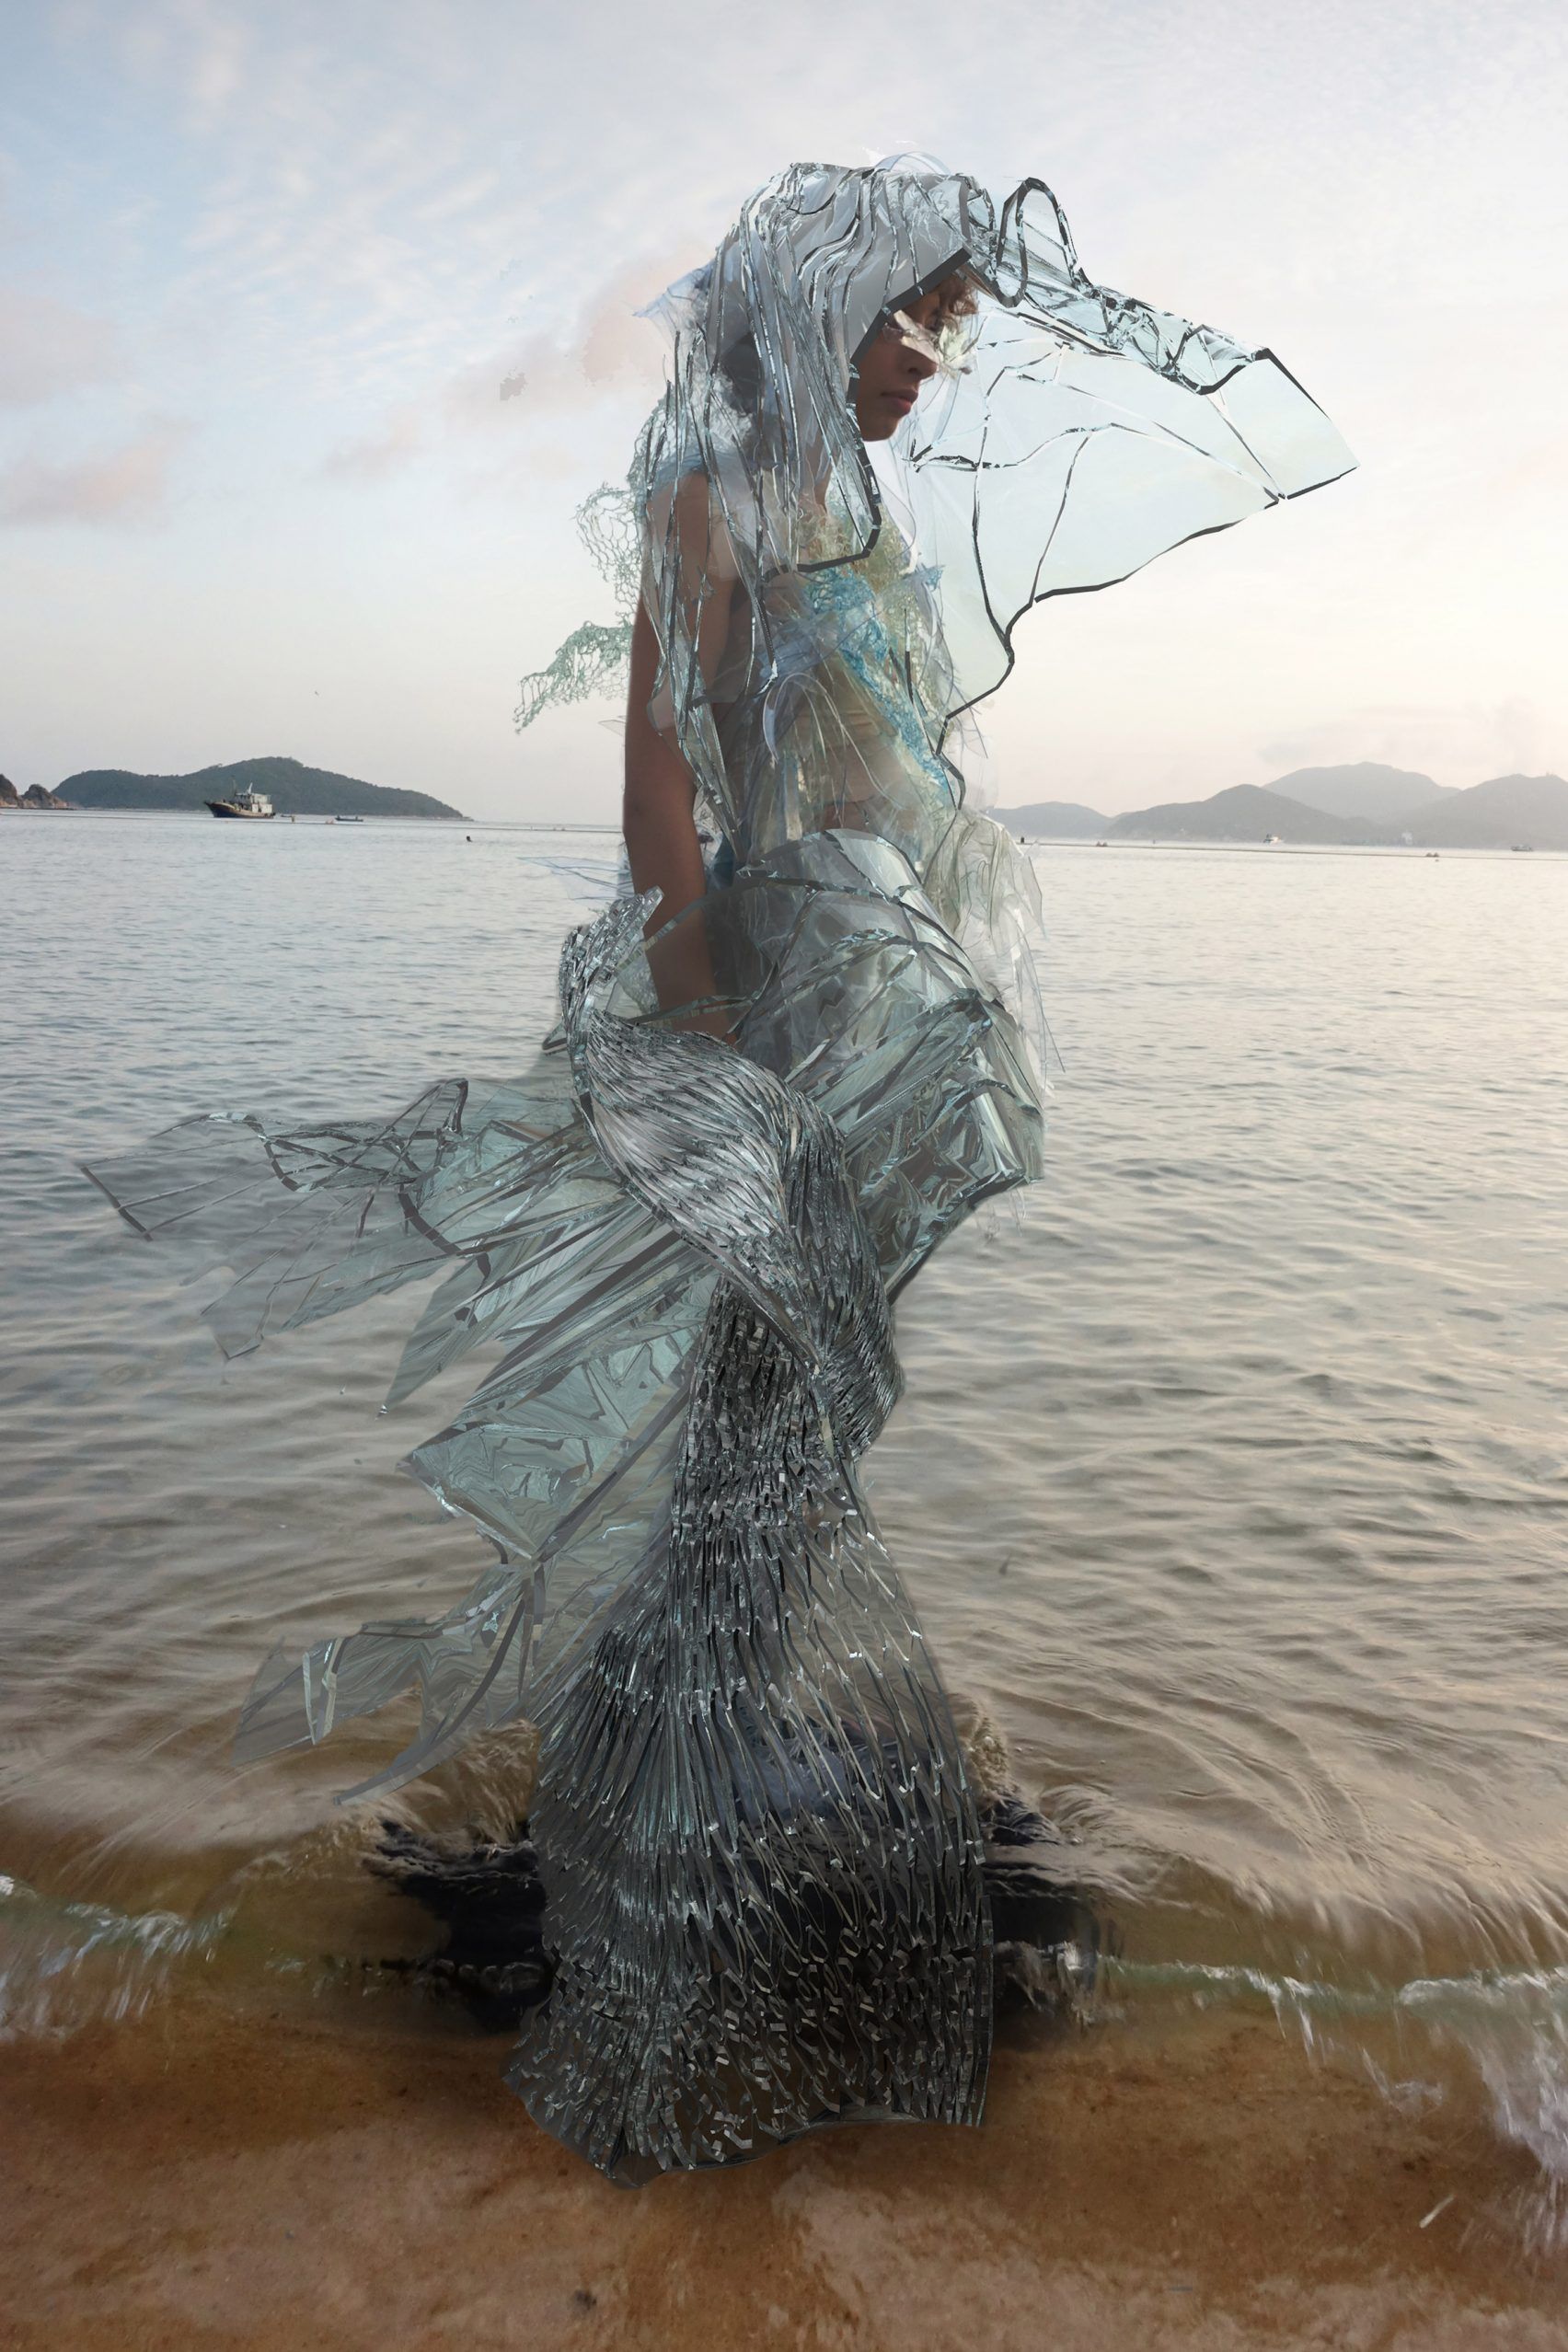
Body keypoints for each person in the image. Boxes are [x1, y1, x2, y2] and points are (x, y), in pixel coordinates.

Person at [86, 156, 1352, 2185]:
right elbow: (663, 776)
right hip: (767, 1012)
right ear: (816, 305)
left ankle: (661, 1776)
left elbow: (879, 762)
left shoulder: (850, 505)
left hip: (863, 1010)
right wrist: (700, 1038)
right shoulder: (718, 500)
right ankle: (650, 1830)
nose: (934, 359)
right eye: (909, 320)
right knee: (767, 1424)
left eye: (950, 325)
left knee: (795, 1425)